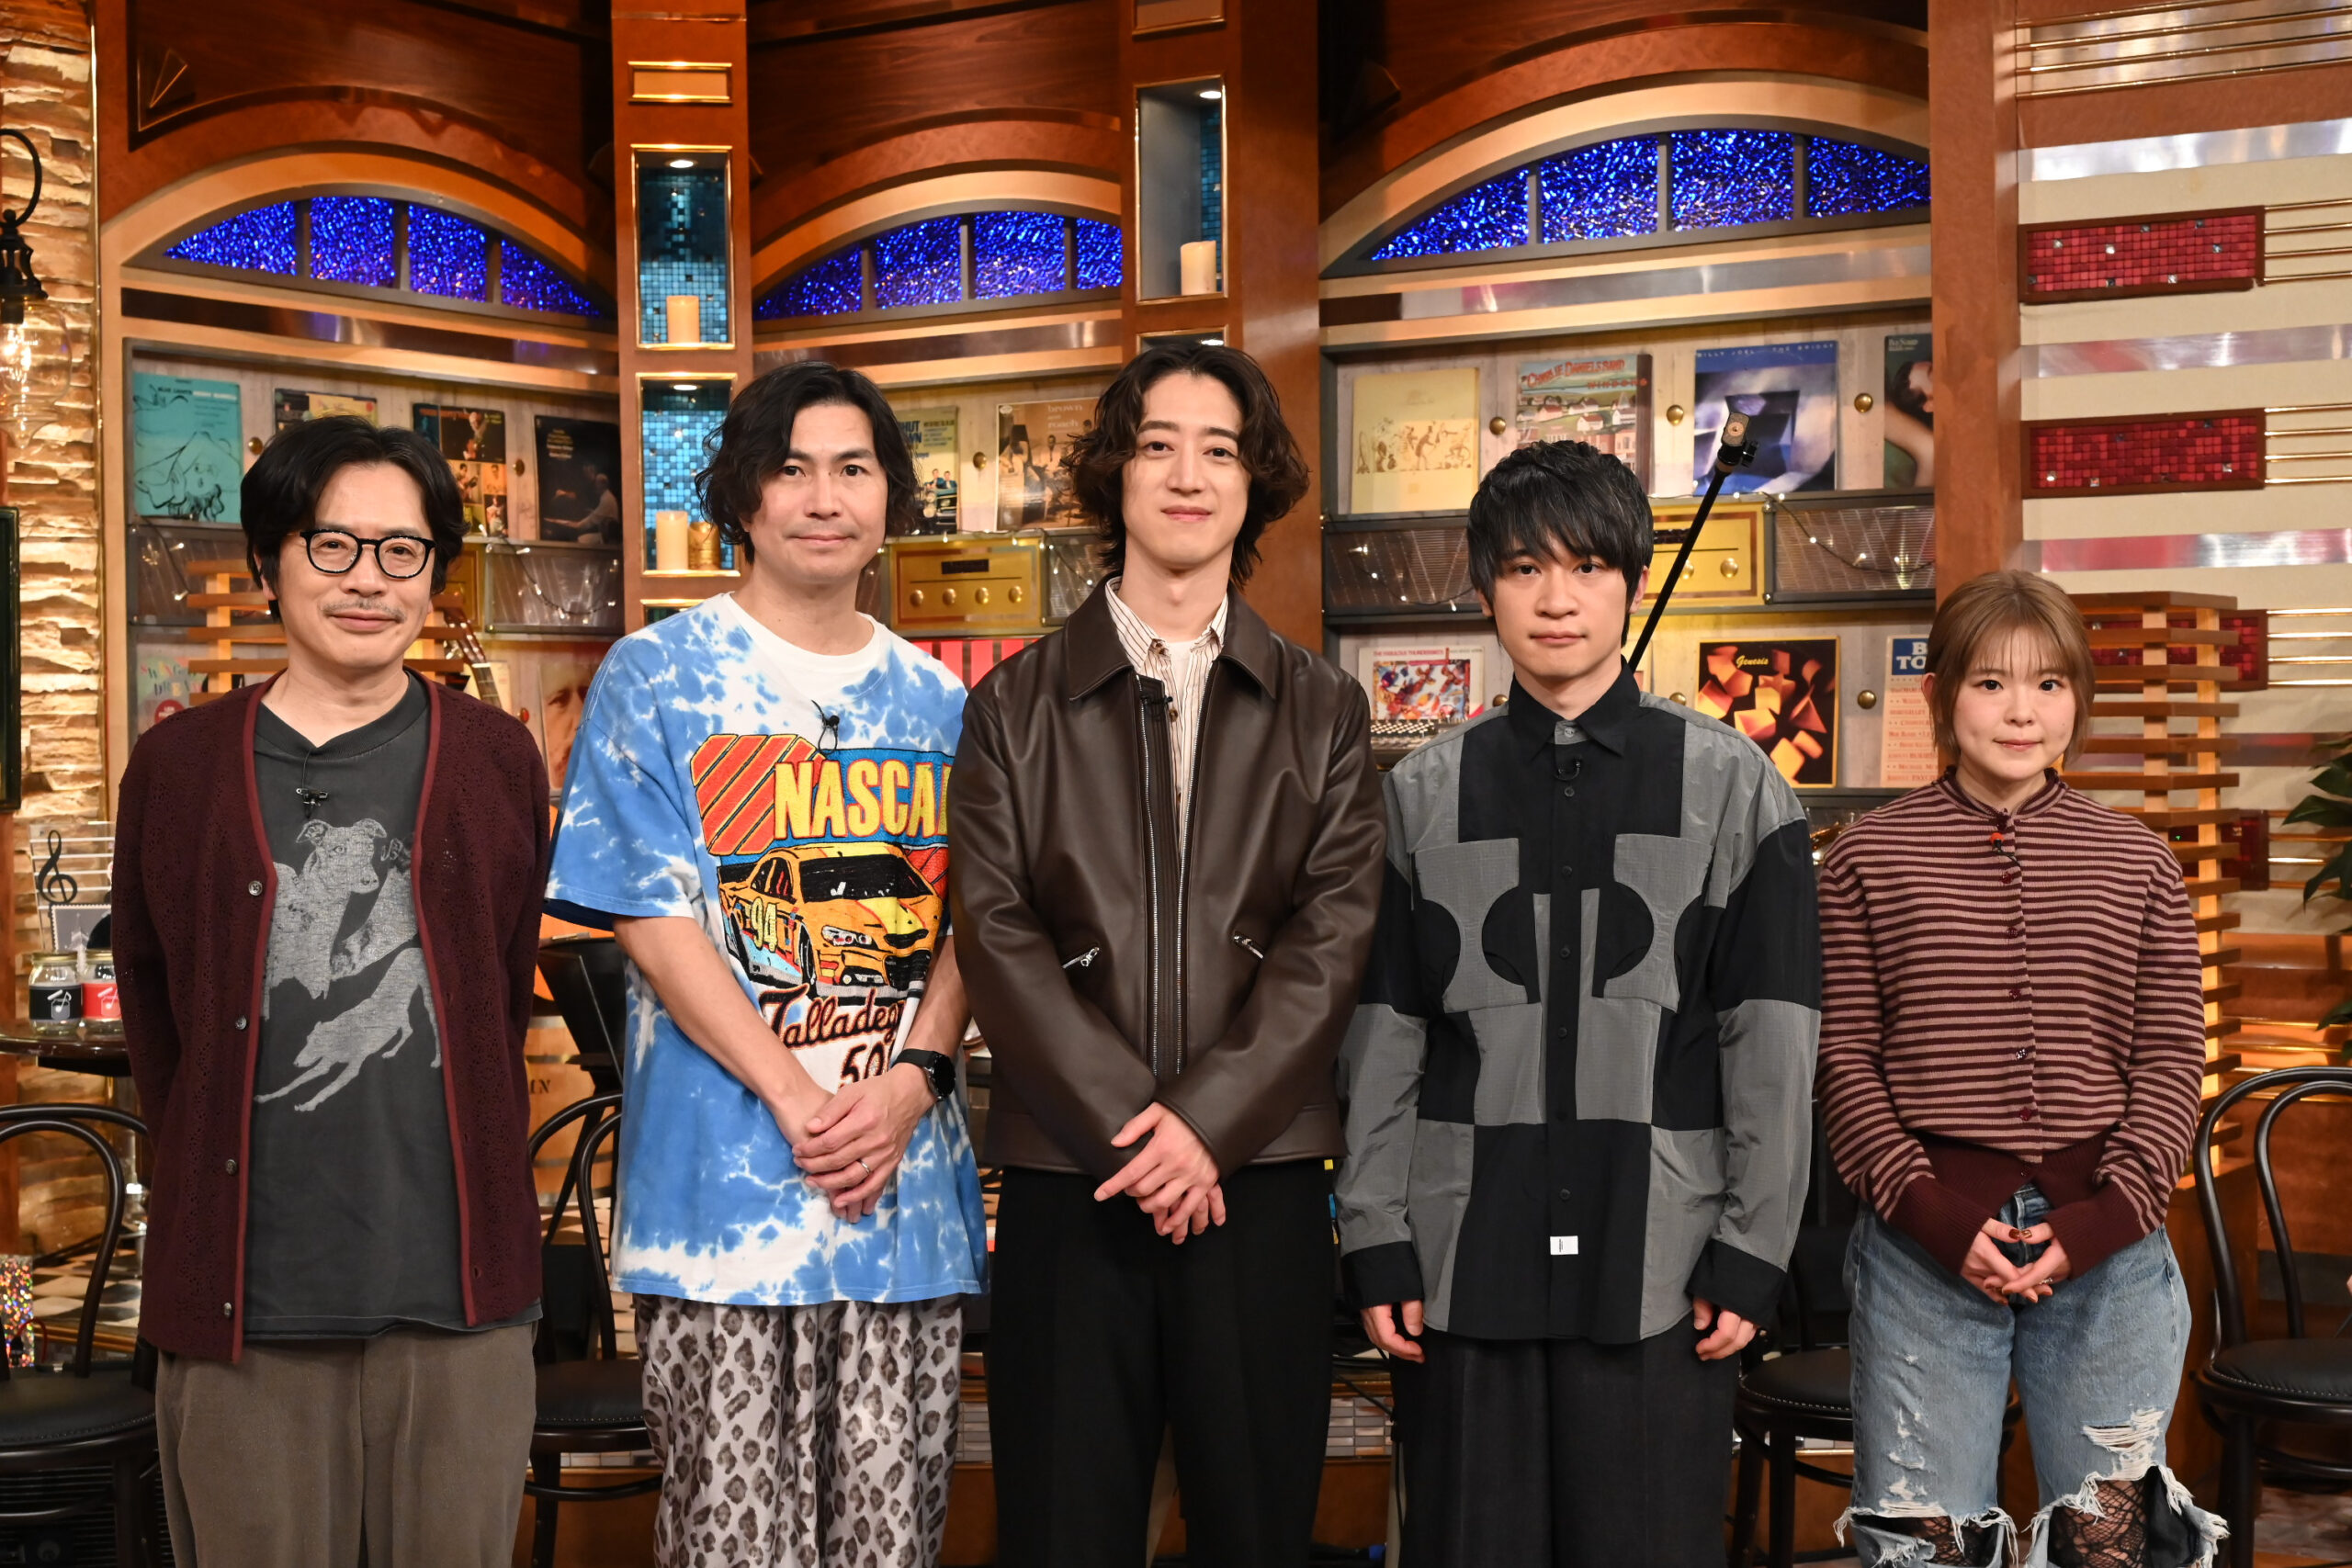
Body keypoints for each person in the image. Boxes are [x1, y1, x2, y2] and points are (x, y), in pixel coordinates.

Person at [1336, 438, 1821, 1566]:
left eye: (1587, 567)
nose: (1556, 599)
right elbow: (1383, 1037)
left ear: (1632, 584)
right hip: (1461, 1259)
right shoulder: (1419, 795)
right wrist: (1376, 1236)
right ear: (1483, 588)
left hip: (1664, 1264)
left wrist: (1753, 1249)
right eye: (1523, 568)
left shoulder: (1736, 788)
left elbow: (1771, 1044)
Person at [952, 342, 1385, 1568]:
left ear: (1255, 484)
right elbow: (994, 930)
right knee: (1061, 1529)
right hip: (1070, 1179)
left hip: (1261, 1179)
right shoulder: (1012, 704)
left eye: (1220, 450)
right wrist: (1137, 1132)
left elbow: (1332, 936)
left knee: (1257, 1530)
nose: (1188, 475)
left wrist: (1206, 1125)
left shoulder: (1323, 707)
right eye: (1157, 445)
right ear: (1114, 472)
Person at [545, 362, 985, 1567]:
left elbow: (983, 921)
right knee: (729, 1541)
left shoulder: (943, 703)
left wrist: (907, 1089)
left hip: (900, 1207)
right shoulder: (657, 675)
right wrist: (797, 1096)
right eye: (790, 469)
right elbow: (649, 915)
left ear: (891, 496)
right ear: (741, 493)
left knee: (892, 1543)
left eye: (853, 468)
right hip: (721, 1216)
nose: (823, 498)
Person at [114, 415, 550, 1567]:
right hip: (244, 1305)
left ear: (434, 575)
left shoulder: (498, 758)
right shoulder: (178, 767)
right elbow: (157, 1009)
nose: (369, 579)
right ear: (269, 564)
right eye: (333, 545)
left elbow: (500, 994)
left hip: (458, 1300)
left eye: (403, 551)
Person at [1817, 570, 2224, 1568]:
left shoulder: (2139, 862)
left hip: (2110, 1257)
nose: (2020, 711)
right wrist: (1934, 1215)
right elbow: (1841, 1059)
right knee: (1927, 1546)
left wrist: (2103, 1220)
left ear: (2077, 698)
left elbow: (2172, 1058)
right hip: (1922, 1250)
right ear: (1940, 694)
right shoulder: (1865, 859)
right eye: (1990, 682)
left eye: (2048, 683)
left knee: (2108, 1546)